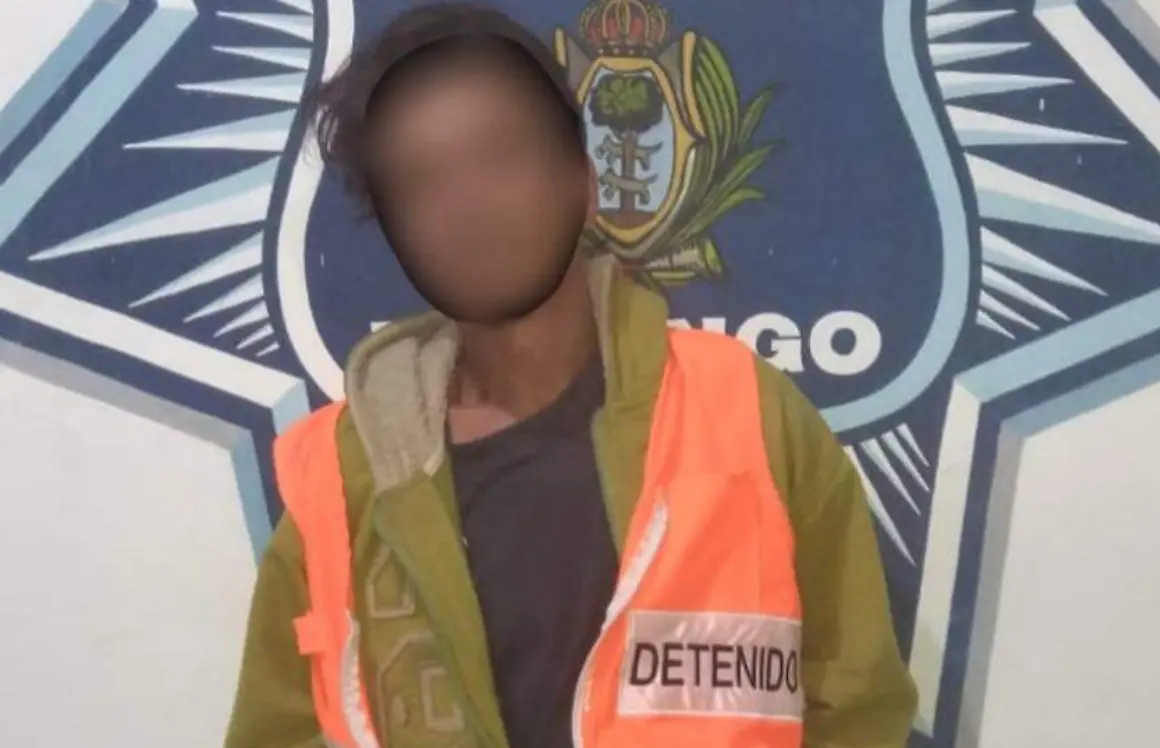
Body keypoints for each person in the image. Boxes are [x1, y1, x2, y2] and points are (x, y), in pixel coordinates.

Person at [224, 3, 917, 748]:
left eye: (500, 157)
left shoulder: (747, 412)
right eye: (422, 183)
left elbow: (857, 707)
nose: (468, 207)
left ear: (583, 182)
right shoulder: (342, 478)